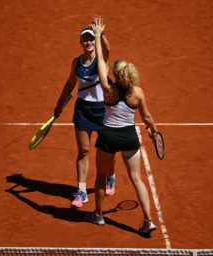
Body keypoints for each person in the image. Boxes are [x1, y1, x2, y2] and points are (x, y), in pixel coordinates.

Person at [86, 16, 158, 235]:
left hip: (108, 137)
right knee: (137, 179)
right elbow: (146, 117)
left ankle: (98, 215)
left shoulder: (109, 90)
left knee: (100, 177)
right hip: (129, 138)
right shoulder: (137, 93)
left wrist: (98, 35)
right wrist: (153, 131)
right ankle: (148, 220)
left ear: (115, 75)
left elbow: (99, 61)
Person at [54, 19, 115, 208]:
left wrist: (100, 35)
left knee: (107, 150)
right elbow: (70, 84)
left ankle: (111, 176)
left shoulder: (100, 61)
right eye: (85, 39)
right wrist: (60, 104)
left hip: (102, 110)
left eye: (91, 39)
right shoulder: (76, 62)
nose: (88, 42)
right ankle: (81, 191)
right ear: (81, 42)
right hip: (82, 109)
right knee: (84, 150)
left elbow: (107, 50)